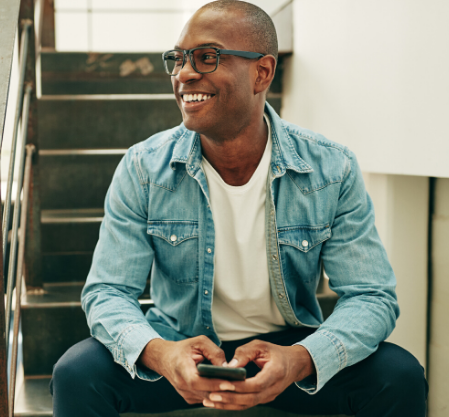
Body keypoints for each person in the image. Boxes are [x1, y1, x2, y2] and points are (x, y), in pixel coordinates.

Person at [50, 1, 428, 416]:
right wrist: (161, 354)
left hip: (287, 349)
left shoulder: (331, 168)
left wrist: (300, 359)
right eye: (177, 59)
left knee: (400, 375)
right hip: (181, 344)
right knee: (76, 373)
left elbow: (371, 295)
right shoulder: (144, 167)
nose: (184, 73)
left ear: (262, 72)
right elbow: (107, 292)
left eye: (207, 57)